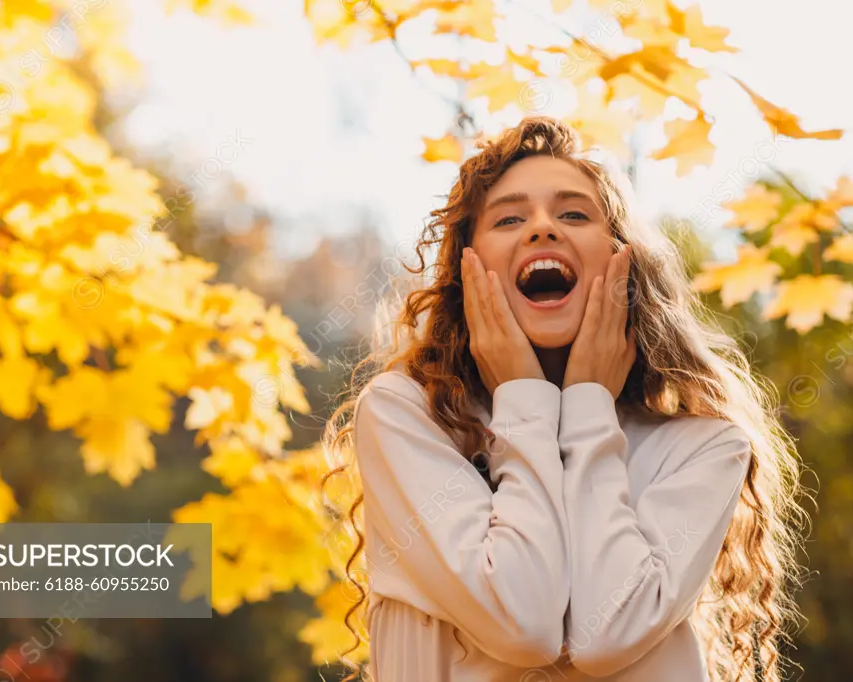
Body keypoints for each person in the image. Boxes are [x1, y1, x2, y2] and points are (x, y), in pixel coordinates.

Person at [321, 116, 805, 682]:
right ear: (465, 268)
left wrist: (587, 409)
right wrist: (525, 401)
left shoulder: (704, 446)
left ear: (623, 260)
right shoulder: (406, 416)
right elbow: (521, 622)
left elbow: (608, 633)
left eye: (574, 213)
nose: (543, 228)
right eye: (509, 218)